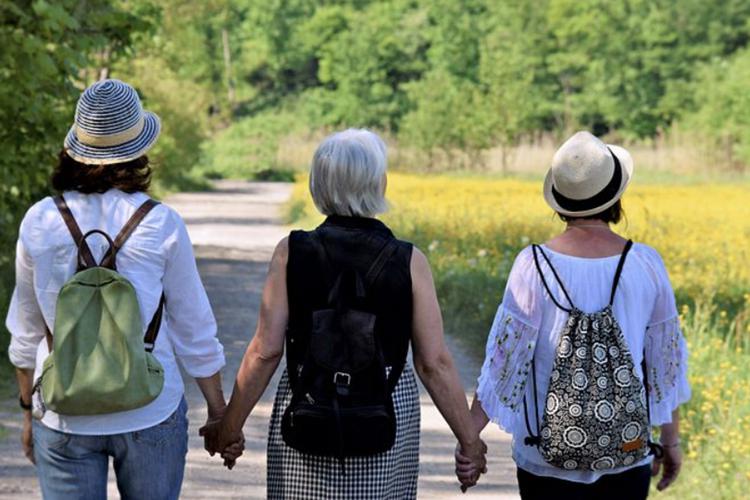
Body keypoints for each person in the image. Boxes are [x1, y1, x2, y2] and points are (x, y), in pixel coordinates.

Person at [200, 128, 487, 498]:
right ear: (379, 184)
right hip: (385, 408)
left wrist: (230, 426)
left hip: (309, 403)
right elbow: (434, 363)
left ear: (317, 185)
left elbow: (265, 351)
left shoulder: (292, 252)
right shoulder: (409, 261)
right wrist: (470, 442)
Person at [6, 79, 229, 499]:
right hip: (150, 409)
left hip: (64, 413)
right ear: (139, 149)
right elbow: (193, 328)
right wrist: (219, 414)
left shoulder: (40, 220)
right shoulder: (160, 222)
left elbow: (25, 329)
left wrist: (27, 412)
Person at [459, 131, 691, 499]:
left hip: (544, 459)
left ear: (560, 202)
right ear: (616, 198)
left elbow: (504, 366)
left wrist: (470, 440)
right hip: (627, 454)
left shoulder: (532, 265)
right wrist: (671, 441)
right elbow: (665, 367)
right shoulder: (645, 263)